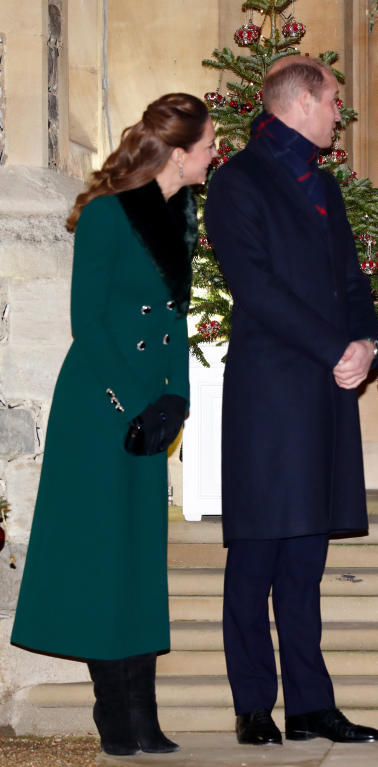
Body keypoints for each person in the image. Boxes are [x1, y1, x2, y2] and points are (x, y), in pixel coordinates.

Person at [11, 93, 216, 754]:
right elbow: (89, 324)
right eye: (210, 142)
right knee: (104, 558)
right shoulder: (105, 215)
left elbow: (173, 319)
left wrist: (176, 401)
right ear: (179, 151)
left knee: (137, 561)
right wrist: (138, 404)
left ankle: (144, 714)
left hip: (153, 406)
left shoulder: (182, 211)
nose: (215, 152)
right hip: (102, 408)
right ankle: (114, 714)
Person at [204, 56, 378, 747]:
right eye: (334, 99)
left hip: (327, 387)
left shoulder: (323, 184)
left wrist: (365, 342)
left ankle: (312, 703)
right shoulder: (237, 181)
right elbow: (256, 287)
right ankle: (254, 704)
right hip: (271, 392)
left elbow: (350, 277)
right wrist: (333, 348)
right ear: (302, 103)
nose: (340, 110)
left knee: (306, 557)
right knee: (256, 555)